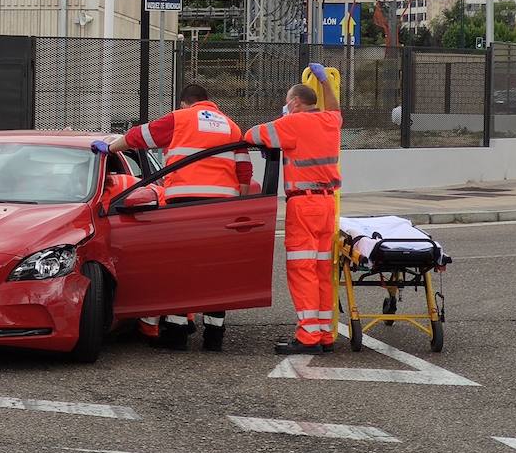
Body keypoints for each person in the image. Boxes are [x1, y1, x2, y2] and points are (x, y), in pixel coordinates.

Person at [106, 83, 252, 352]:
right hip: (222, 209)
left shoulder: (181, 118)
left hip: (185, 204)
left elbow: (140, 136)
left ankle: (176, 334)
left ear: (185, 103)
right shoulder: (231, 126)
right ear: (209, 102)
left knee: (183, 268)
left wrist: (110, 148)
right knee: (215, 271)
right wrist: (239, 205)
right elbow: (244, 171)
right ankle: (214, 338)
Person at [244, 65, 342, 354]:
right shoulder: (329, 121)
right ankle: (324, 335)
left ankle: (308, 336)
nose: (286, 104)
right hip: (327, 204)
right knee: (323, 269)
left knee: (302, 269)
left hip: (304, 204)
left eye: (288, 100)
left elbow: (251, 135)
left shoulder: (292, 124)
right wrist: (325, 81)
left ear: (296, 102)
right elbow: (335, 108)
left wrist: (284, 118)